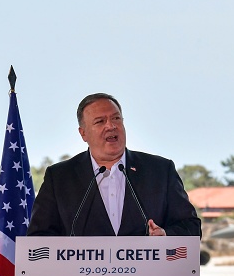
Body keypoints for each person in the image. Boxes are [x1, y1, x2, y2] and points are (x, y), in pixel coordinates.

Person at [27, 92, 202, 238]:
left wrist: (166, 236)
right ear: (83, 133)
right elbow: (39, 236)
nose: (111, 126)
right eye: (100, 121)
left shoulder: (160, 171)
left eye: (116, 118)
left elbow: (191, 227)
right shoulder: (59, 178)